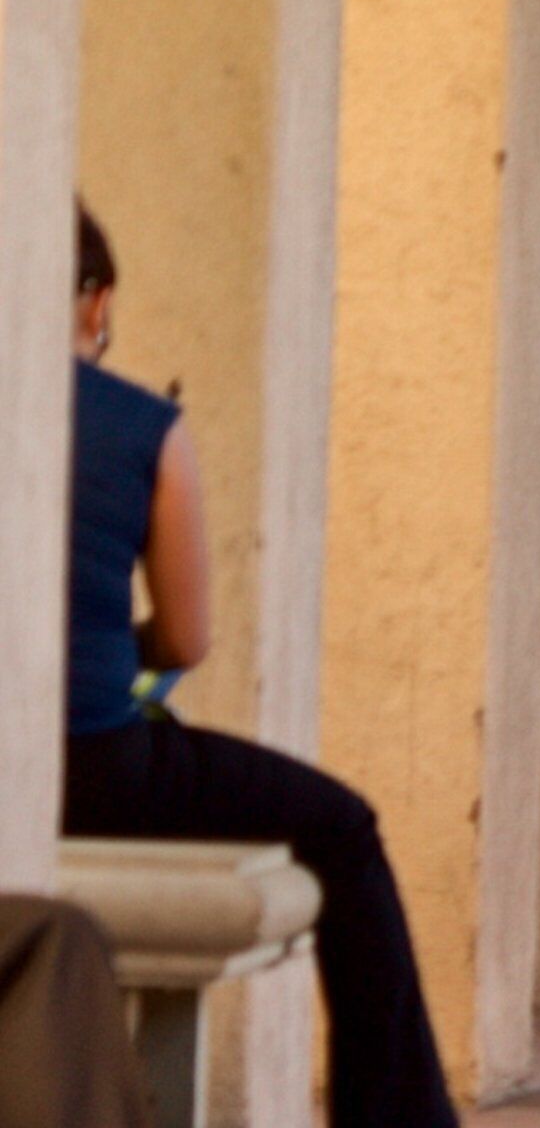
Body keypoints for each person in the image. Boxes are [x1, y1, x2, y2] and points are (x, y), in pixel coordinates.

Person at [59, 204, 460, 1127]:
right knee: (345, 829)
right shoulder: (145, 427)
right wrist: (128, 657)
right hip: (95, 768)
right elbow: (189, 640)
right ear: (98, 300)